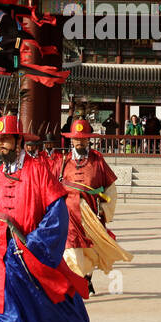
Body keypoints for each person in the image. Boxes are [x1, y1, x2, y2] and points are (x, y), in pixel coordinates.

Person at [0, 114, 91, 322]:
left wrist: (36, 245)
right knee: (3, 307)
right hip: (3, 256)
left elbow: (57, 212)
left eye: (6, 139)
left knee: (43, 304)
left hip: (30, 254)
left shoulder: (37, 170)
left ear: (19, 141)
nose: (1, 145)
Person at [59, 119, 127, 293]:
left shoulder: (98, 161)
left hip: (92, 213)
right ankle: (77, 282)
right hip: (69, 214)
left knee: (90, 250)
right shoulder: (63, 163)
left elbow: (111, 189)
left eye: (83, 138)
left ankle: (87, 278)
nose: (79, 142)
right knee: (71, 248)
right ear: (71, 140)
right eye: (76, 139)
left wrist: (104, 210)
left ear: (89, 140)